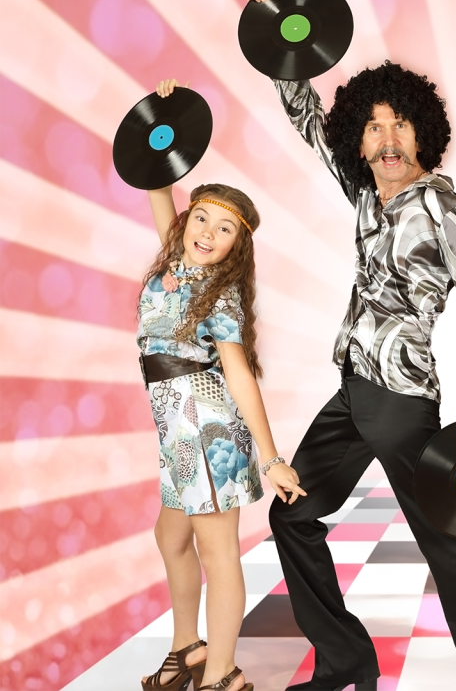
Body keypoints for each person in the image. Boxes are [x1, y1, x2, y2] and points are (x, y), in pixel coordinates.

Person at [246, 0, 456, 691]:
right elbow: (310, 120)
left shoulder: (441, 207)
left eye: (398, 125)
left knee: (450, 546)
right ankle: (347, 661)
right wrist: (284, 23)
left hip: (401, 403)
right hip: (353, 393)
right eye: (373, 126)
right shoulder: (365, 194)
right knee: (292, 517)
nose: (384, 139)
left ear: (422, 134)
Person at [138, 79, 305, 691]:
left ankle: (225, 675)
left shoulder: (220, 293)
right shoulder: (174, 262)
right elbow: (157, 175)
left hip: (207, 430)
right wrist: (163, 116)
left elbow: (238, 372)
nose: (208, 232)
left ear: (238, 248)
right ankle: (190, 647)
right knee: (170, 535)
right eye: (201, 217)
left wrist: (271, 457)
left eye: (225, 229)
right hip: (177, 432)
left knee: (218, 554)